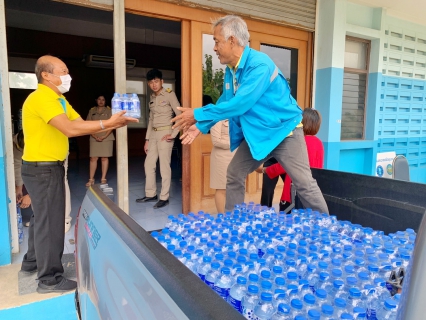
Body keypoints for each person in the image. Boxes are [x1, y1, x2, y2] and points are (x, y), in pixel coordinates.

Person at [171, 15, 329, 214]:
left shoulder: (259, 65)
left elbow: (240, 104)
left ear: (232, 41)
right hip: (260, 134)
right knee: (234, 173)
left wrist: (198, 114)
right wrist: (200, 125)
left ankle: (326, 226)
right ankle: (234, 223)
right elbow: (226, 102)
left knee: (304, 183)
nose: (214, 48)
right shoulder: (232, 70)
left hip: (285, 132)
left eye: (216, 41)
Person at [20, 55, 137, 294]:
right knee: (50, 222)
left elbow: (81, 123)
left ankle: (32, 261)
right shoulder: (42, 98)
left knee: (41, 218)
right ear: (46, 75)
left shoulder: (59, 99)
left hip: (46, 168)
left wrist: (112, 123)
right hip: (42, 169)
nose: (68, 76)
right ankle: (49, 279)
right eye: (63, 71)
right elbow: (70, 129)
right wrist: (107, 124)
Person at [257, 108, 324, 212]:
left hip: (293, 194)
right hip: (309, 193)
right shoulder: (319, 143)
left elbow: (285, 165)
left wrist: (264, 169)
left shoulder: (298, 142)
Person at [136, 69, 181, 209]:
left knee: (164, 166)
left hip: (165, 133)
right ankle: (151, 194)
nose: (154, 84)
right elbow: (151, 120)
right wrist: (147, 139)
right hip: (154, 135)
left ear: (162, 81)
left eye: (156, 81)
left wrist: (173, 135)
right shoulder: (152, 98)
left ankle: (164, 197)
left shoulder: (169, 95)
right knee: (148, 164)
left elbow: (180, 115)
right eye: (151, 82)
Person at [85, 95, 115, 186]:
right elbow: (88, 124)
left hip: (107, 137)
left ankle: (103, 178)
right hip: (94, 136)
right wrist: (94, 136)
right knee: (93, 158)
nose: (101, 101)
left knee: (104, 158)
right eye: (99, 99)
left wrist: (105, 136)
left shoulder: (109, 111)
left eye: (103, 99)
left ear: (105, 101)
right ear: (96, 100)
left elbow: (112, 125)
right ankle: (91, 179)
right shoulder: (92, 111)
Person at [210, 119, 236, 213]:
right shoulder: (217, 118)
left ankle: (233, 215)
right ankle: (222, 217)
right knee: (222, 189)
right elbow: (216, 141)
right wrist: (235, 143)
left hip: (237, 156)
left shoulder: (238, 114)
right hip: (222, 157)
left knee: (235, 187)